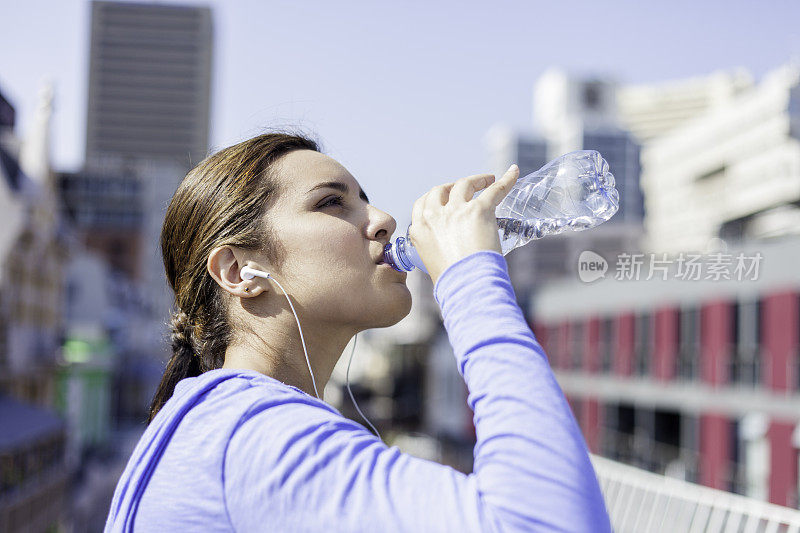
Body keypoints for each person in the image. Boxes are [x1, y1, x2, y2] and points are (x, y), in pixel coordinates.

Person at [104, 131, 612, 532]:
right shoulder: (251, 436)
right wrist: (471, 277)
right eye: (331, 203)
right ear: (239, 273)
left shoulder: (223, 426)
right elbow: (549, 522)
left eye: (366, 200)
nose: (385, 219)